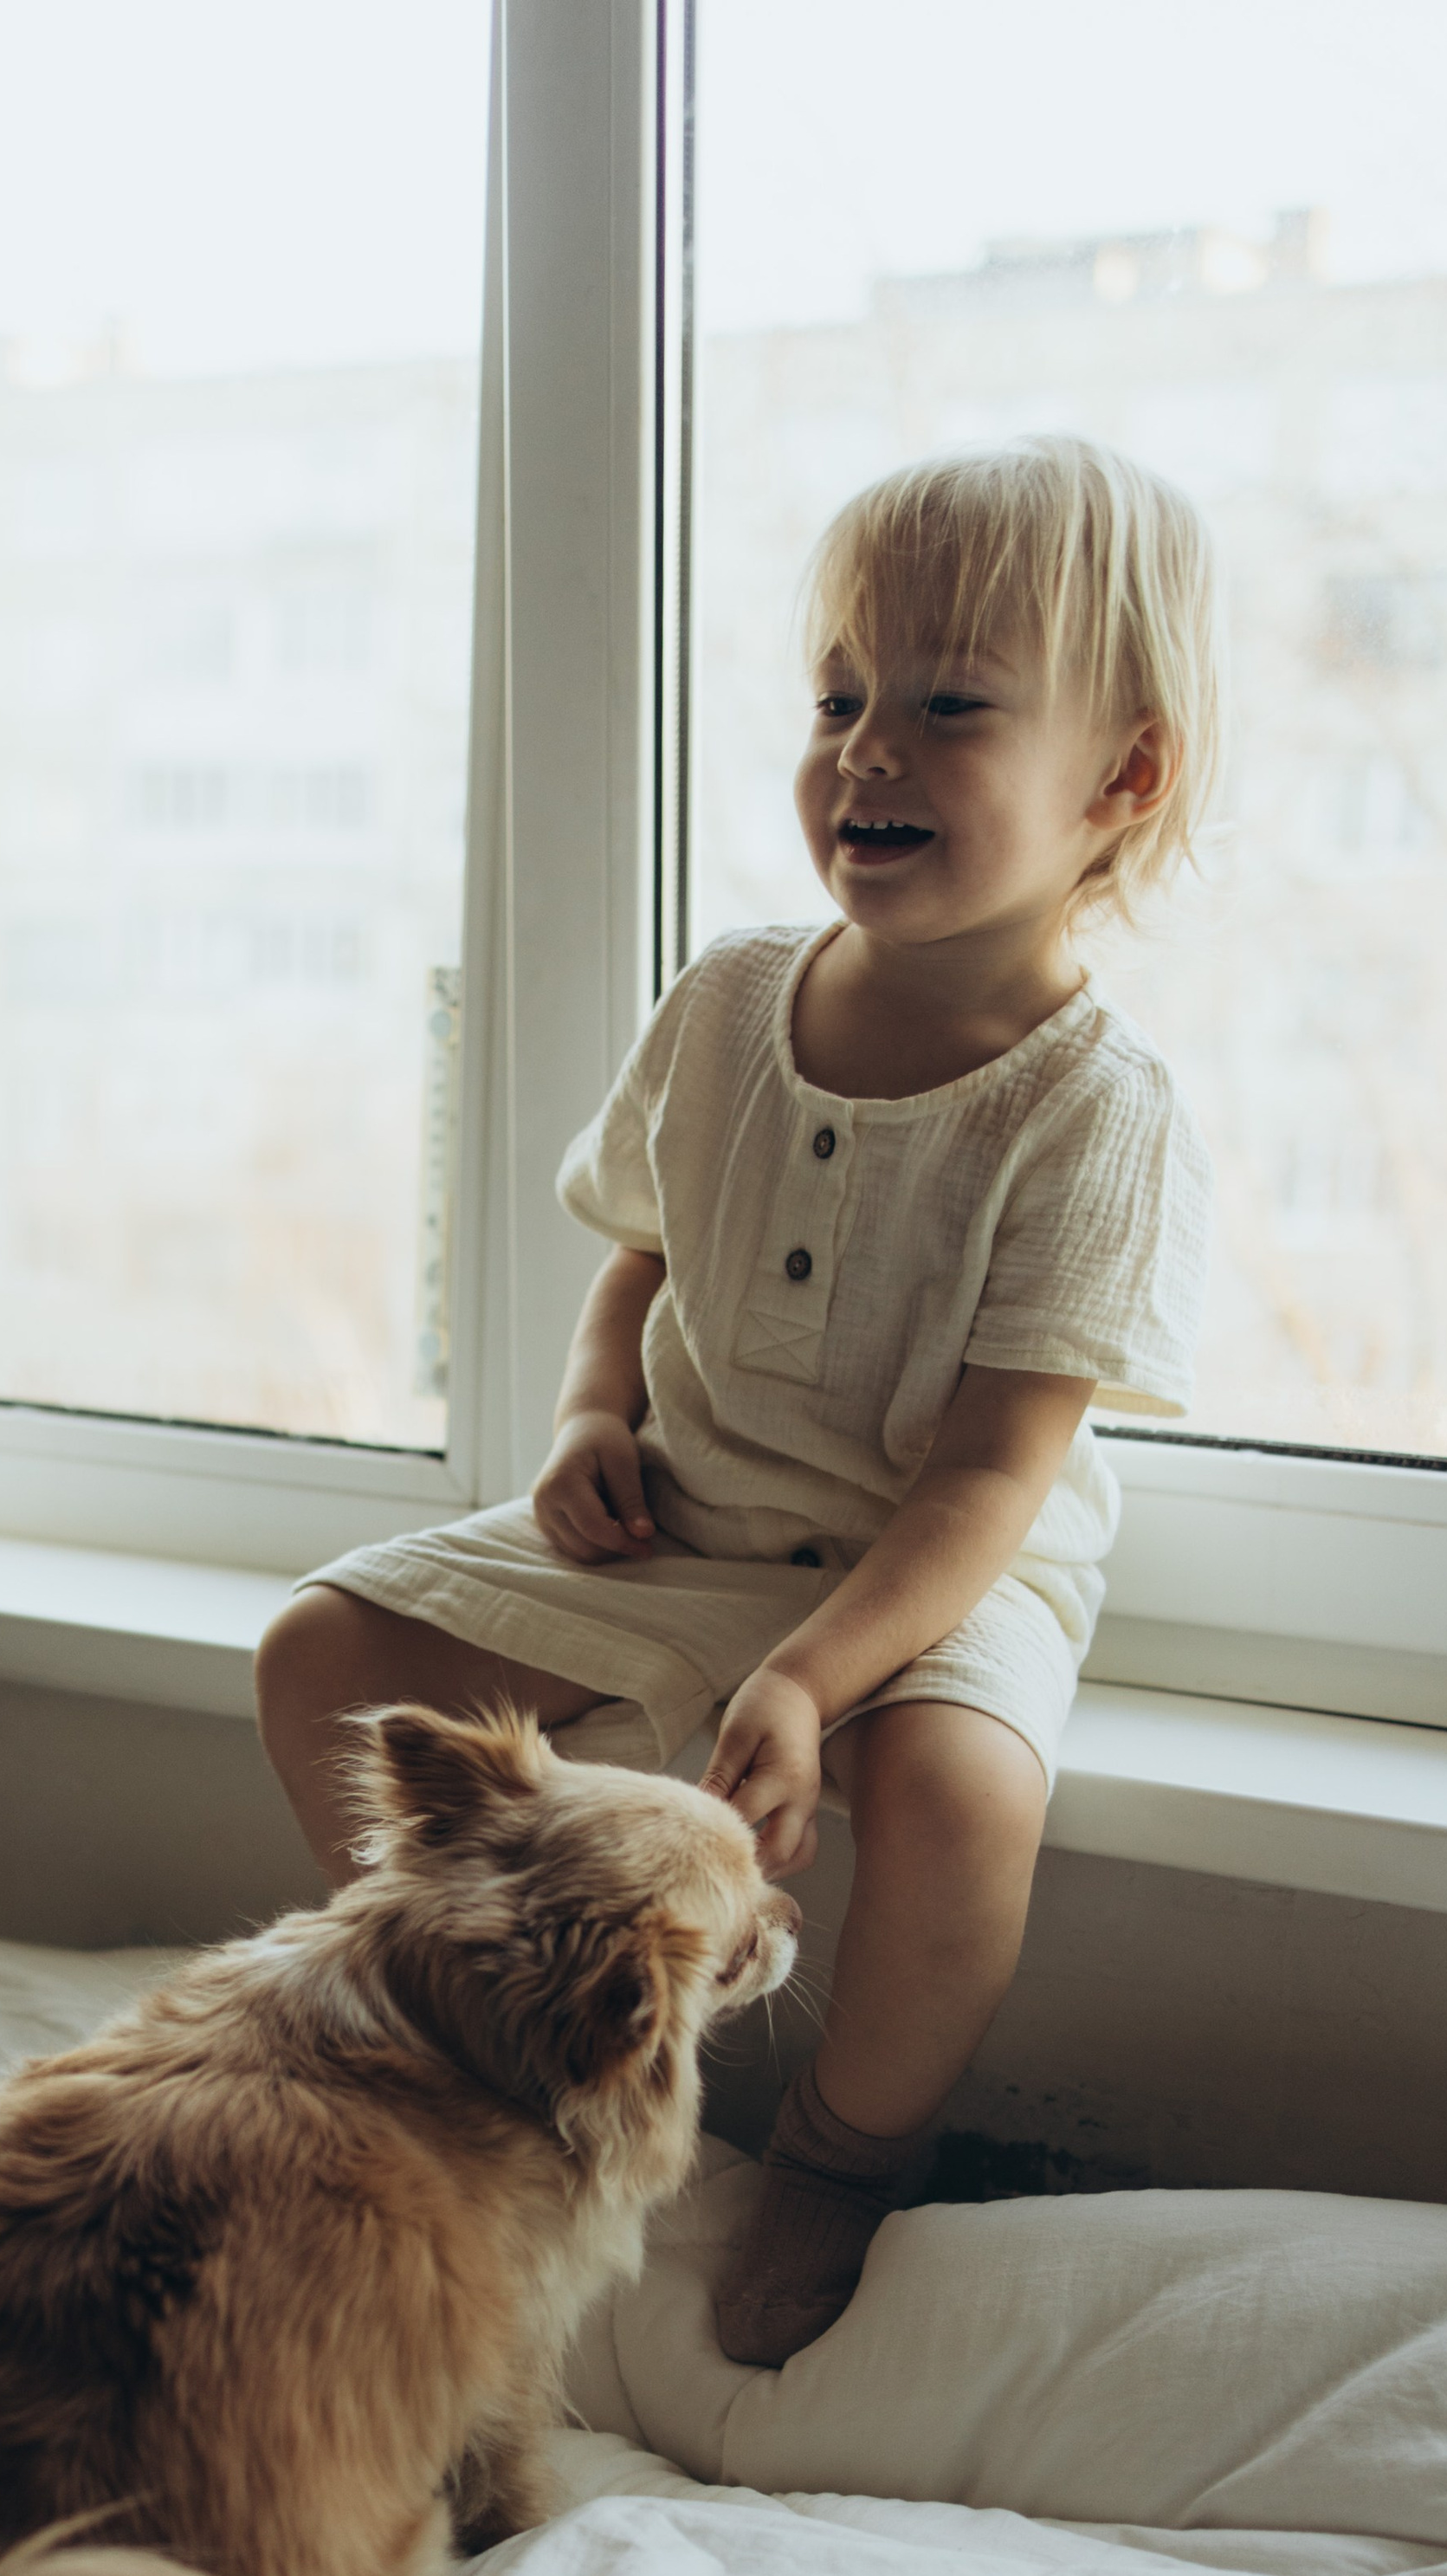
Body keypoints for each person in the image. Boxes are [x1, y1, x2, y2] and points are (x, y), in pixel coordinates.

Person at [256, 436, 1218, 2368]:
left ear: (1116, 777)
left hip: (920, 1572)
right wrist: (586, 1417)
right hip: (688, 1517)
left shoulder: (1091, 1108)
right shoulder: (723, 1002)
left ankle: (846, 2156)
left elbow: (989, 1481)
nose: (865, 750)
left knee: (954, 1809)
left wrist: (810, 1680)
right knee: (321, 1651)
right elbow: (645, 1253)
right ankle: (481, 2036)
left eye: (947, 708)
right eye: (838, 698)